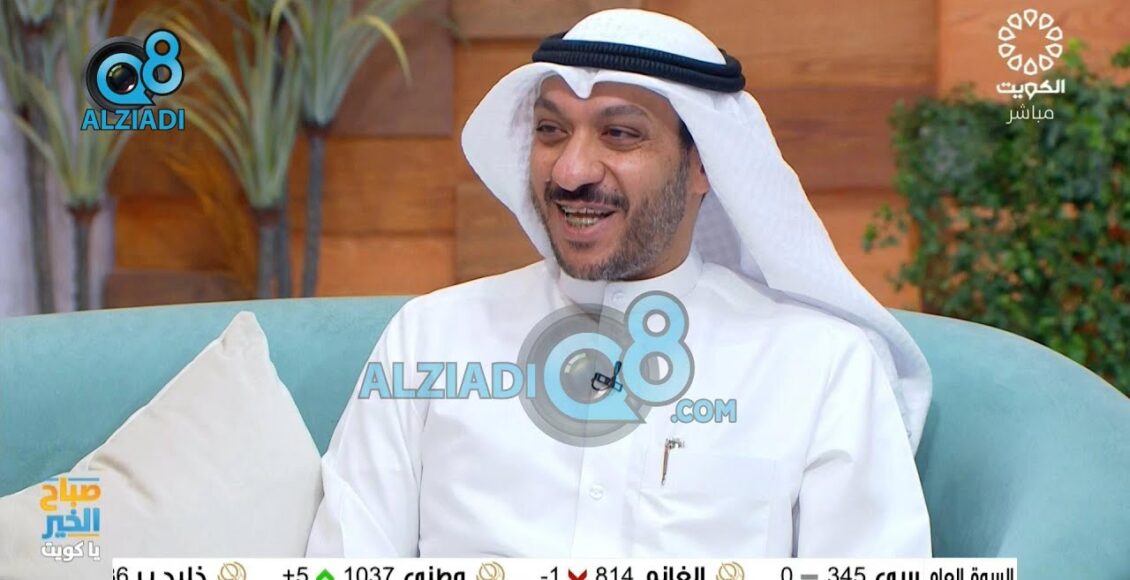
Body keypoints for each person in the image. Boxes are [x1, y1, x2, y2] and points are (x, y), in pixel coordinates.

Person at [306, 8, 932, 557]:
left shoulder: (819, 365)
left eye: (620, 134)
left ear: (704, 165)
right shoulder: (429, 338)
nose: (571, 171)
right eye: (551, 131)